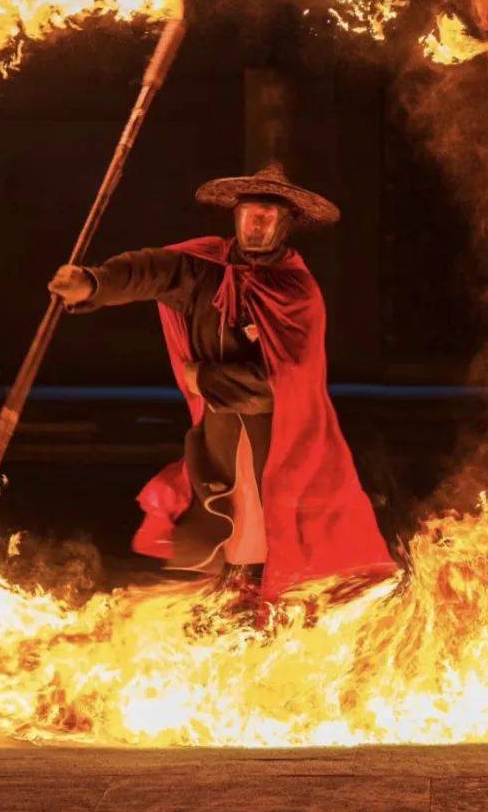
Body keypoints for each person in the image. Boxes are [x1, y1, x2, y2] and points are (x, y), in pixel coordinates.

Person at [49, 162, 395, 604]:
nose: (258, 222)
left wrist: (203, 377)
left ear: (286, 225)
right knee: (224, 534)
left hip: (277, 440)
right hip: (220, 436)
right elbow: (152, 270)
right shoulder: (204, 268)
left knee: (274, 536)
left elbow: (283, 382)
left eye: (269, 216)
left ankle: (274, 622)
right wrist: (93, 283)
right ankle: (229, 623)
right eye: (251, 212)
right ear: (236, 215)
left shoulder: (295, 290)